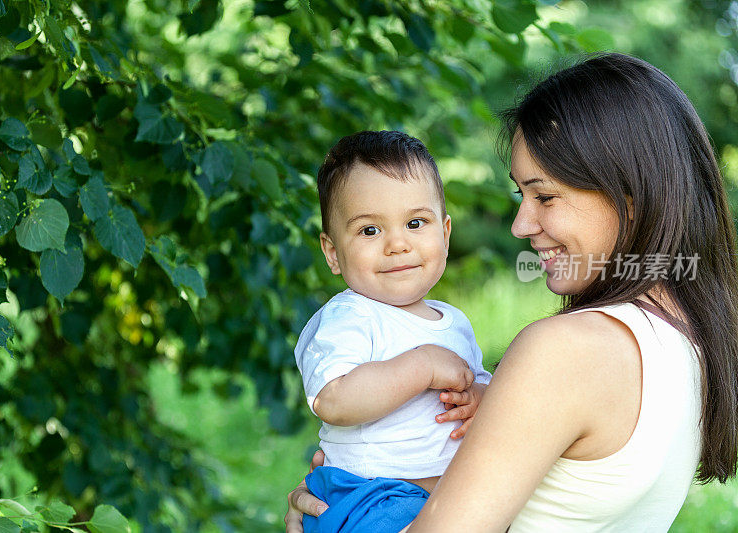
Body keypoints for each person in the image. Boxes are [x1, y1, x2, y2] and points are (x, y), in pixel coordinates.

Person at [285, 53, 738, 532]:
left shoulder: (569, 350)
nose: (521, 225)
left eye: (544, 196)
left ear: (629, 195)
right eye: (520, 196)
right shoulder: (688, 343)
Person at [294, 130, 492, 532]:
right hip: (369, 495)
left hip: (442, 494)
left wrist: (477, 396)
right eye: (370, 230)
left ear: (446, 234)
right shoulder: (349, 317)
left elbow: (487, 397)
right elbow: (333, 399)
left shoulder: (453, 322)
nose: (397, 244)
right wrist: (422, 367)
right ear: (333, 252)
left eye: (416, 223)